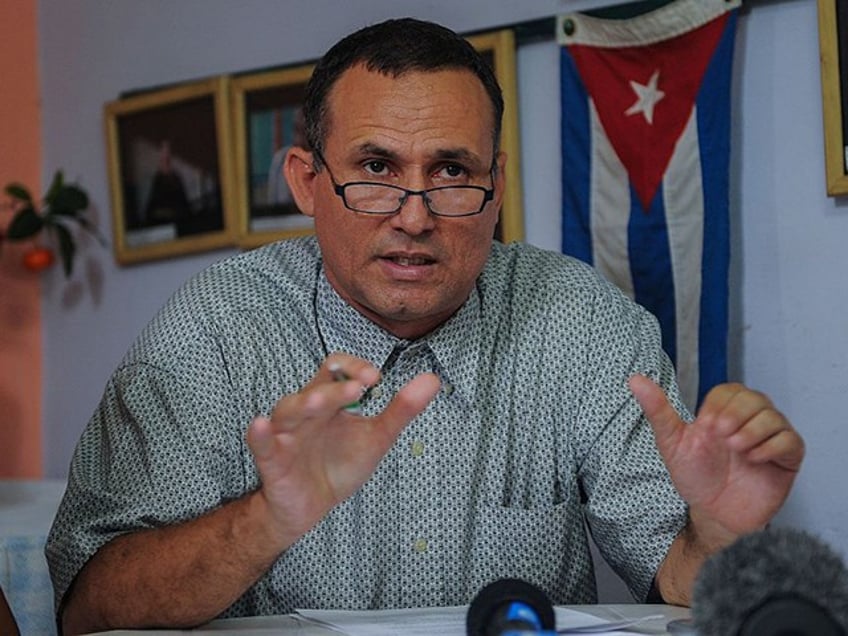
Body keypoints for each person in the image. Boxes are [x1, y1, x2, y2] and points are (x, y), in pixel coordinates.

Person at [46, 17, 804, 635]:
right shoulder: (214, 331)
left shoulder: (584, 324)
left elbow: (683, 580)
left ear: (496, 185)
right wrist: (264, 522)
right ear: (307, 183)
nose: (415, 216)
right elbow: (88, 609)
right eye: (375, 168)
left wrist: (722, 532)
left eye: (450, 171)